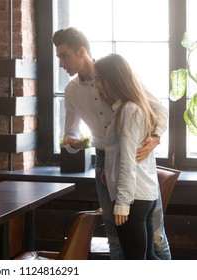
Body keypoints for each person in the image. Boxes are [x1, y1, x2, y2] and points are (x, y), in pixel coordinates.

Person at [52, 27, 170, 259]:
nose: (61, 63)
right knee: (114, 236)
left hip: (136, 160)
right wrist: (72, 143)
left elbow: (158, 108)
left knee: (156, 237)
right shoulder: (71, 90)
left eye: (64, 55)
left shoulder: (115, 75)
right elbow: (70, 134)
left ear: (82, 51)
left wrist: (155, 139)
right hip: (105, 161)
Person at [94, 53, 160, 259]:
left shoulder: (129, 111)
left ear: (110, 80)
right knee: (145, 259)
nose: (95, 85)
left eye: (98, 79)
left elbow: (128, 159)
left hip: (132, 199)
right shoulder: (128, 108)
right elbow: (121, 153)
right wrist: (109, 171)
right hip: (142, 196)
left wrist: (122, 203)